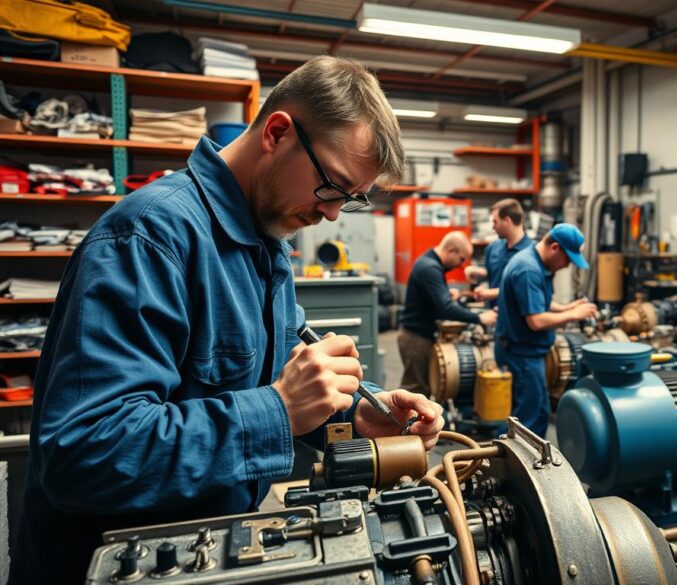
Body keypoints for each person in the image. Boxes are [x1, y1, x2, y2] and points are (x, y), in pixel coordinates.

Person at [10, 56, 444, 584]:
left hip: (210, 549)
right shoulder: (149, 237)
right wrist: (278, 410)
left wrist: (354, 410)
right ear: (278, 132)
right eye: (332, 186)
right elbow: (84, 453)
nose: (332, 214)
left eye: (349, 201)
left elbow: (273, 365)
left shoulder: (267, 245)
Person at [495, 224, 598, 437]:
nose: (567, 265)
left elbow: (539, 303)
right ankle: (522, 468)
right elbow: (536, 321)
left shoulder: (533, 260)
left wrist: (567, 307)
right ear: (554, 248)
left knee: (538, 412)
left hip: (528, 354)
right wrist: (573, 315)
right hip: (522, 355)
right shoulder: (528, 270)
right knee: (528, 420)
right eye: (568, 259)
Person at [398, 231, 497, 396]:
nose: (461, 264)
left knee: (421, 389)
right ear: (452, 250)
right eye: (462, 258)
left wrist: (443, 293)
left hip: (417, 336)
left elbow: (436, 301)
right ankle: (402, 422)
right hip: (416, 340)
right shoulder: (430, 268)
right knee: (414, 392)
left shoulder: (429, 262)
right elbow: (446, 309)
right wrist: (479, 318)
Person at [464, 198, 533, 306]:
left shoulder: (532, 252)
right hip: (491, 316)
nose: (493, 226)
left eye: (495, 221)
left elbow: (527, 289)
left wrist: (493, 293)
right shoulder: (493, 248)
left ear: (507, 221)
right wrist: (483, 283)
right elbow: (495, 276)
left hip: (517, 317)